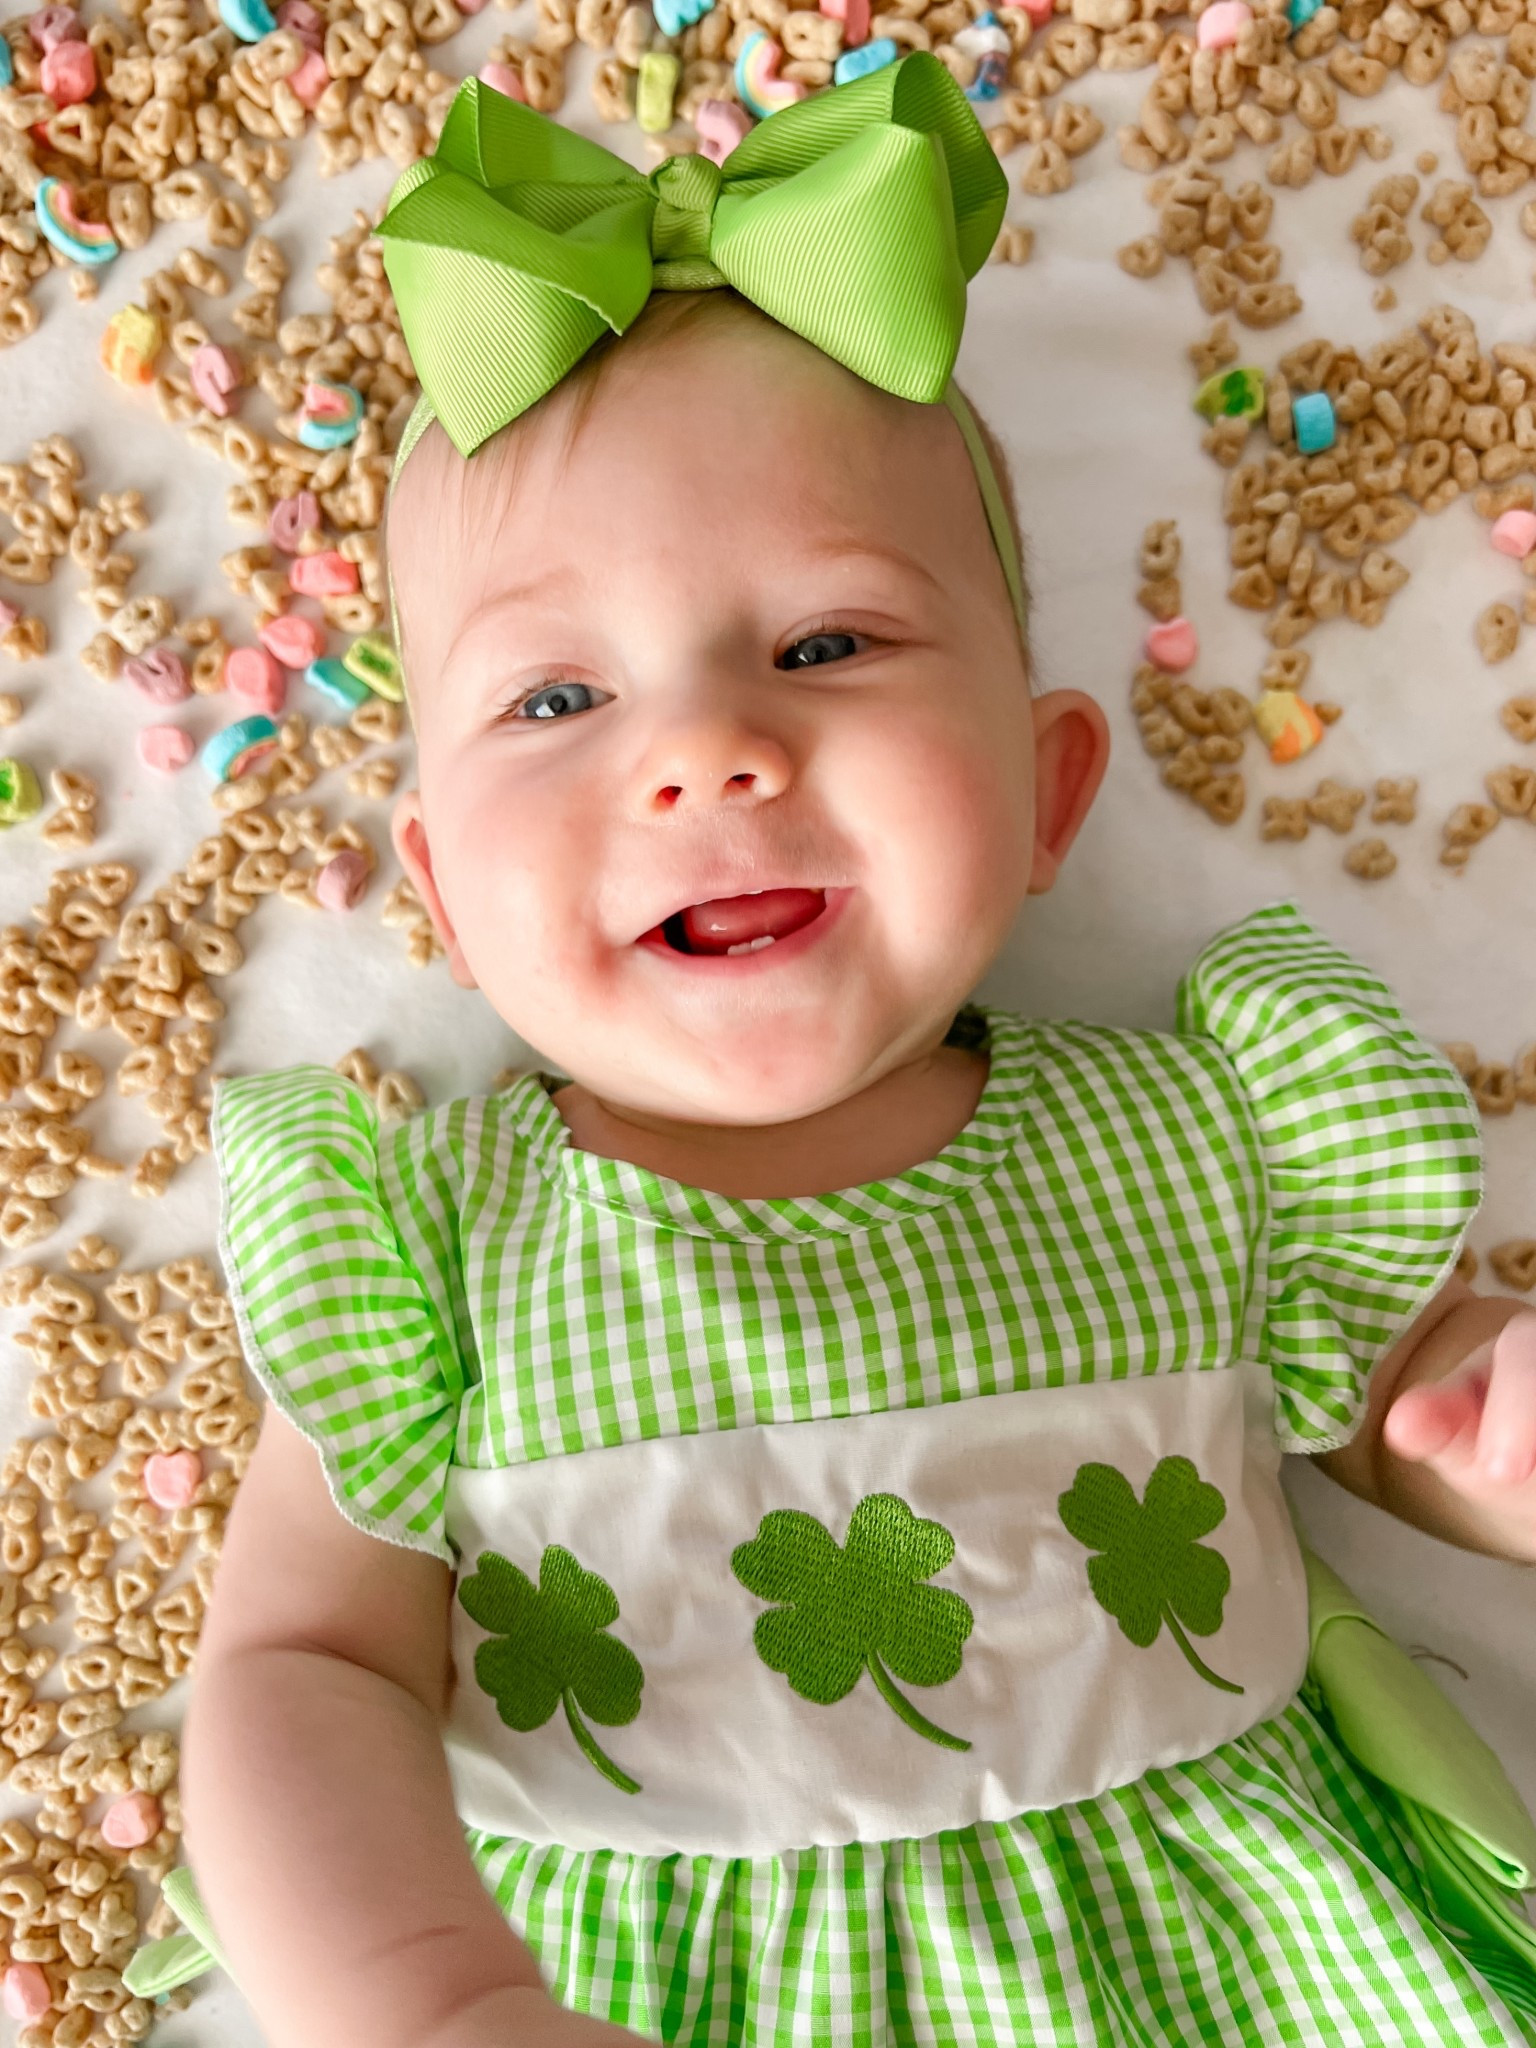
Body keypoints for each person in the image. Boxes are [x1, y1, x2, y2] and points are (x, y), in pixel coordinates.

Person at [176, 54, 1536, 2048]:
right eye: (555, 698)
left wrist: (1490, 1433)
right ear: (445, 897)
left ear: (1047, 787)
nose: (707, 749)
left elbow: (1403, 1408)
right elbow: (297, 1672)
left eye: (826, 645)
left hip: (1221, 1973)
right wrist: (434, 2001)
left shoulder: (1197, 1137)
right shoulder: (428, 1248)